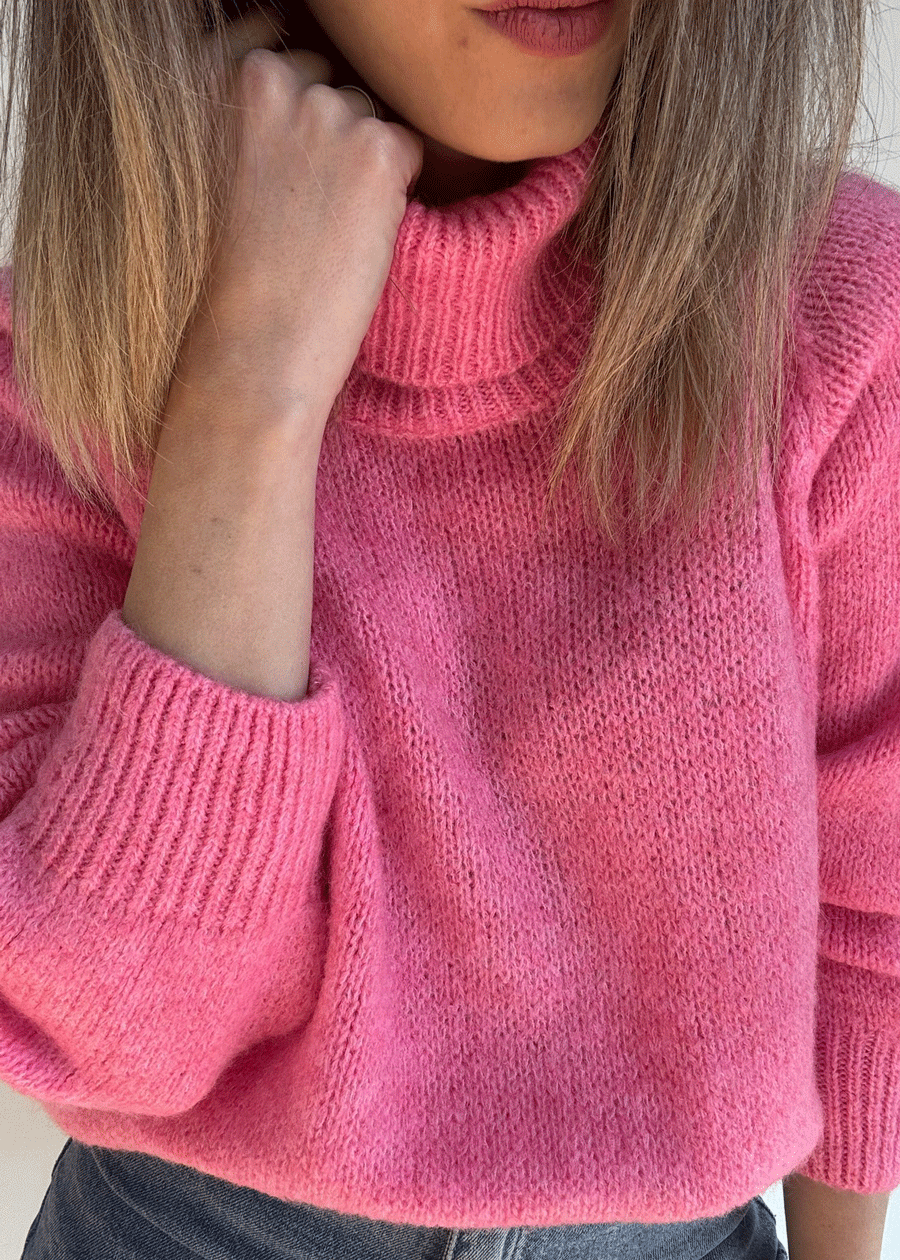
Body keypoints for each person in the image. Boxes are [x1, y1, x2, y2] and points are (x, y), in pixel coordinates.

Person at [0, 1, 896, 1257]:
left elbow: (874, 913)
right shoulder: (63, 362)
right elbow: (119, 1029)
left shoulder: (830, 316)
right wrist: (249, 390)